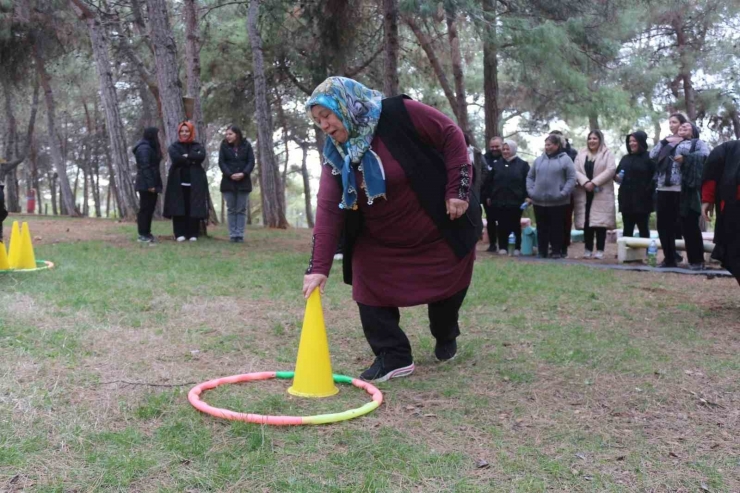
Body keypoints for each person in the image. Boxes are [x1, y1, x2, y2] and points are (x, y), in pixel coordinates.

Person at [302, 76, 481, 383]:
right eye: (318, 121)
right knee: (366, 279)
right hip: (380, 239)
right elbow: (329, 209)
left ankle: (445, 333)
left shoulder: (399, 113)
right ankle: (393, 355)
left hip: (437, 226)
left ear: (346, 106)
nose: (325, 126)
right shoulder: (337, 154)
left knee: (448, 291)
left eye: (327, 115)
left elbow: (451, 134)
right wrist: (318, 267)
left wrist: (458, 190)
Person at [650, 119, 709, 269]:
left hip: (685, 190)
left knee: (689, 226)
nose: (683, 126)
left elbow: (705, 156)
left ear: (694, 132)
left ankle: (696, 261)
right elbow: (653, 155)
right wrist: (664, 141)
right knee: (664, 226)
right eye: (682, 125)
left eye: (687, 126)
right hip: (663, 188)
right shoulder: (667, 142)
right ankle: (669, 259)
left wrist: (686, 158)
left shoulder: (697, 143)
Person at [526, 134, 576, 259]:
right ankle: (542, 251)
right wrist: (532, 192)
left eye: (549, 145)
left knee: (557, 227)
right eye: (546, 145)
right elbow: (530, 177)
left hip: (558, 201)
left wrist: (563, 193)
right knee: (541, 227)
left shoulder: (566, 160)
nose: (547, 147)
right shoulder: (538, 160)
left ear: (557, 145)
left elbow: (571, 178)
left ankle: (556, 251)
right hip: (539, 201)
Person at [573, 130, 617, 259]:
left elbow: (611, 169)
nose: (592, 141)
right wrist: (585, 182)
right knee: (587, 221)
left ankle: (600, 250)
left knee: (600, 223)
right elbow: (575, 170)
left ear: (600, 140)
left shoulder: (607, 154)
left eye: (595, 139)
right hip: (584, 191)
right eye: (590, 138)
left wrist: (594, 183)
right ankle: (587, 249)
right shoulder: (581, 154)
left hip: (601, 192)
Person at [702, 140, 740, 286]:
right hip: (734, 208)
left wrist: (708, 199)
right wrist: (707, 198)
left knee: (734, 253)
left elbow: (711, 169)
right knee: (734, 253)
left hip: (732, 208)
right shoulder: (730, 148)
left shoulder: (729, 148)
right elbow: (712, 168)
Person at [482, 139, 529, 255]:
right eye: (503, 149)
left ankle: (517, 247)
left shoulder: (523, 165)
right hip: (499, 200)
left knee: (515, 224)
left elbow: (527, 182)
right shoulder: (497, 165)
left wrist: (527, 197)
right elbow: (489, 182)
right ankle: (503, 247)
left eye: (507, 149)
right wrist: (488, 196)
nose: (505, 151)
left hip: (516, 200)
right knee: (502, 224)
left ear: (513, 149)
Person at [163, 121, 208, 242]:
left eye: (187, 131)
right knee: (178, 208)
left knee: (193, 207)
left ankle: (193, 233)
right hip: (178, 182)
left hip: (195, 182)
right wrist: (192, 158)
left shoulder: (197, 145)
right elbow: (176, 159)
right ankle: (179, 233)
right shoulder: (174, 146)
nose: (184, 133)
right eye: (182, 131)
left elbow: (201, 156)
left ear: (191, 132)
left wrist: (186, 156)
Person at [218, 125, 255, 243]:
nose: (227, 136)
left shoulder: (246, 145)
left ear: (237, 134)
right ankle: (232, 234)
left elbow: (251, 161)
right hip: (228, 182)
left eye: (230, 134)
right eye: (226, 134)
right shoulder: (223, 146)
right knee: (231, 209)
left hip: (243, 182)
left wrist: (243, 173)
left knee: (241, 209)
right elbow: (221, 162)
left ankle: (240, 234)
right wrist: (230, 174)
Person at [615, 131, 655, 238]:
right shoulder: (625, 159)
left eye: (634, 141)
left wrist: (648, 192)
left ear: (641, 142)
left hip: (643, 200)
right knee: (627, 228)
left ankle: (647, 254)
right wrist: (615, 177)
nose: (631, 143)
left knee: (643, 228)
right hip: (626, 199)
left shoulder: (649, 157)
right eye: (630, 141)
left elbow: (655, 177)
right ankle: (626, 253)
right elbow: (619, 178)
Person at [133, 127, 163, 243]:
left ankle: (147, 232)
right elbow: (145, 167)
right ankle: (142, 234)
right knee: (145, 209)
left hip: (150, 183)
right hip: (146, 184)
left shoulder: (149, 147)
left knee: (149, 209)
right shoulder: (144, 148)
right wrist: (151, 185)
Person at [550, 130, 577, 257]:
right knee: (552, 221)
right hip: (550, 193)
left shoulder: (572, 154)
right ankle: (553, 246)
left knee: (565, 220)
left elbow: (573, 174)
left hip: (567, 192)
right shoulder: (547, 154)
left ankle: (564, 247)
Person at [481, 137, 503, 252]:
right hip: (488, 196)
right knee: (491, 220)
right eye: (492, 146)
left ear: (502, 145)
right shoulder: (484, 158)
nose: (494, 149)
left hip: (504, 196)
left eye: (497, 146)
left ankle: (504, 243)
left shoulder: (506, 157)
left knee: (504, 220)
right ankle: (493, 244)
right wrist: (487, 195)